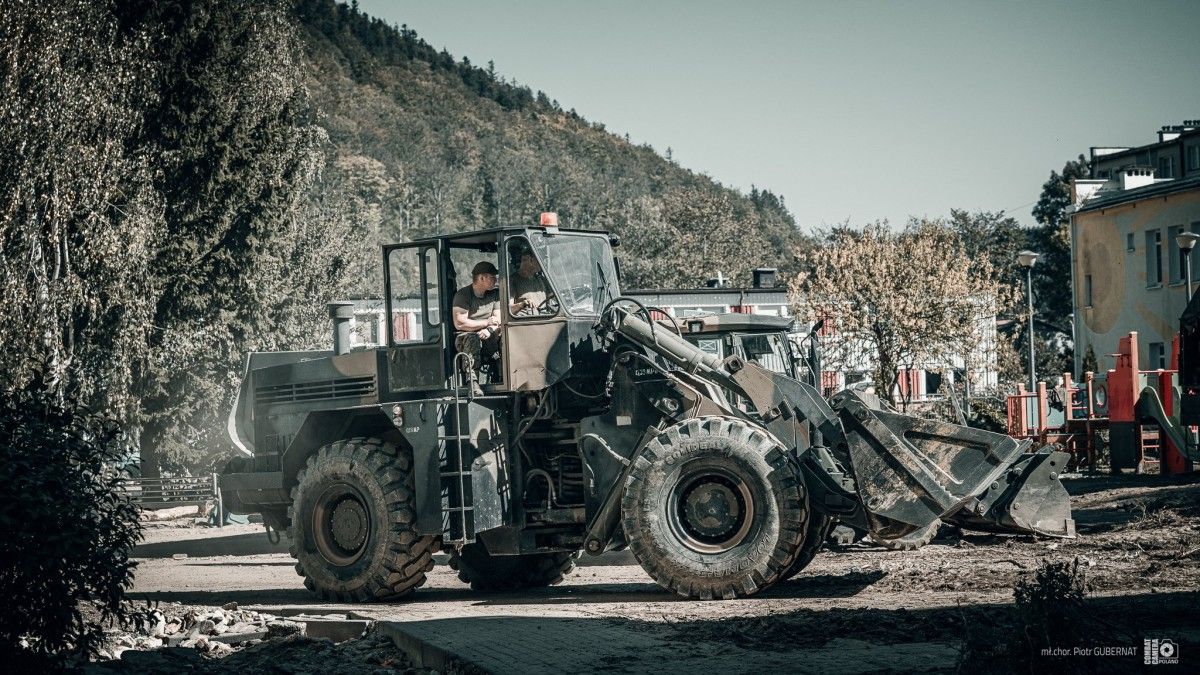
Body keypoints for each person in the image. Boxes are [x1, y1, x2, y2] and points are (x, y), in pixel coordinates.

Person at [452, 261, 501, 388]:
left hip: (489, 335)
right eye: (492, 277)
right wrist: (485, 323)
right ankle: (472, 381)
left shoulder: (495, 294)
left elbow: (497, 318)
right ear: (481, 278)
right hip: (465, 338)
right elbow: (460, 324)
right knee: (472, 338)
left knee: (505, 334)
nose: (495, 280)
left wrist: (489, 330)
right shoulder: (463, 295)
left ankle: (500, 376)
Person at [509, 249, 554, 316]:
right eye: (539, 260)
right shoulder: (512, 281)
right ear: (527, 260)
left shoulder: (542, 279)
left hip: (544, 318)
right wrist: (522, 304)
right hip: (525, 321)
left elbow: (553, 300)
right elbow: (508, 310)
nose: (542, 263)